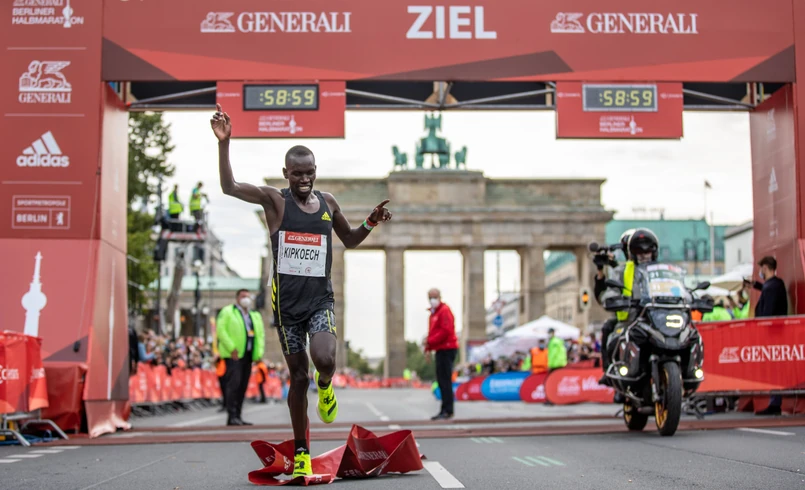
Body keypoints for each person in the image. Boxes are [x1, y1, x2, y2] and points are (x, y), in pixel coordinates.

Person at [211, 104, 392, 477]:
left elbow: (350, 240)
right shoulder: (275, 201)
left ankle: (326, 385)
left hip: (319, 301)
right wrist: (224, 143)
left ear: (315, 171)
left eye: (309, 172)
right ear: (286, 174)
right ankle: (303, 453)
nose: (304, 179)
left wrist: (371, 221)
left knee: (323, 359)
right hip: (287, 308)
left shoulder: (328, 202)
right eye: (297, 174)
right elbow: (229, 187)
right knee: (297, 378)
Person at [597, 228, 661, 388]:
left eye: (647, 252)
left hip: (658, 319)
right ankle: (613, 373)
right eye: (639, 252)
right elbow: (609, 291)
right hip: (631, 319)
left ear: (654, 252)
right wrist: (612, 299)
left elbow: (677, 287)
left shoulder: (662, 271)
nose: (644, 255)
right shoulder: (622, 271)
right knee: (612, 338)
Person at [216, 289, 265, 426]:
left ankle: (238, 415)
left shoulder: (254, 315)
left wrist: (259, 353)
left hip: (248, 355)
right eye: (243, 296)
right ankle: (231, 416)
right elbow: (221, 331)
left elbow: (260, 335)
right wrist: (232, 348)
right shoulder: (228, 312)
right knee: (234, 384)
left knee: (243, 385)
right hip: (234, 355)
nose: (246, 299)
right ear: (237, 298)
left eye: (248, 296)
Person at [594, 229, 634, 385]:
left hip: (653, 315)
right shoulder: (622, 269)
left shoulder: (656, 270)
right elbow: (604, 294)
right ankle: (609, 371)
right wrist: (603, 270)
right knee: (608, 330)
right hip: (628, 318)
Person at [752, 256, 788, 415]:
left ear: (765, 267)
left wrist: (761, 327)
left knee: (774, 368)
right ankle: (775, 401)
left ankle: (775, 402)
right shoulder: (776, 284)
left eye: (761, 268)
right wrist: (755, 285)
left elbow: (768, 308)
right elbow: (768, 289)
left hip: (772, 334)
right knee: (775, 367)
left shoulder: (772, 287)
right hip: (776, 333)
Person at [423, 288, 458, 420]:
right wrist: (428, 347)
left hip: (447, 349)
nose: (432, 299)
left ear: (439, 297)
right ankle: (445, 409)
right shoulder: (433, 313)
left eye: (435, 296)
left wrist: (429, 341)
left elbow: (445, 331)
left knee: (445, 380)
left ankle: (448, 410)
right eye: (430, 297)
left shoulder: (444, 311)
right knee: (441, 380)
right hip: (440, 349)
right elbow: (433, 332)